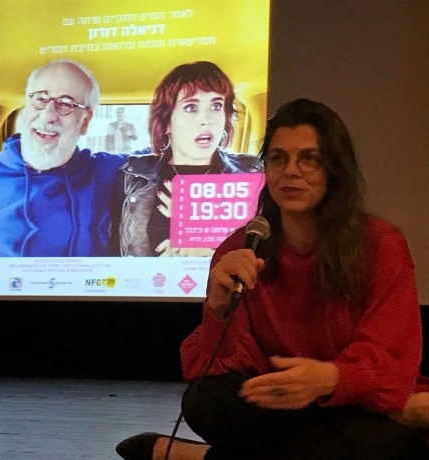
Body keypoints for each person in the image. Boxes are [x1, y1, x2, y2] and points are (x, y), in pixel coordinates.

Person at [116, 99, 429, 459]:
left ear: (334, 169)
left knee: (385, 445)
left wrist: (327, 379)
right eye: (279, 158)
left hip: (352, 396)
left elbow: (388, 357)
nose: (291, 171)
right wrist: (218, 310)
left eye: (309, 159)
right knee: (204, 401)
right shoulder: (242, 247)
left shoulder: (381, 244)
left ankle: (195, 457)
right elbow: (224, 366)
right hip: (287, 404)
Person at [113, 61, 261, 257]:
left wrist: (211, 253)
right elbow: (114, 250)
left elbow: (266, 250)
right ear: (166, 121)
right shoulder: (132, 174)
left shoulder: (253, 172)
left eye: (216, 105)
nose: (207, 119)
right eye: (191, 107)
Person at [0, 59, 128, 257]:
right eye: (41, 99)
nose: (47, 116)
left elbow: (166, 155)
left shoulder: (109, 170)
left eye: (66, 103)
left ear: (85, 121)